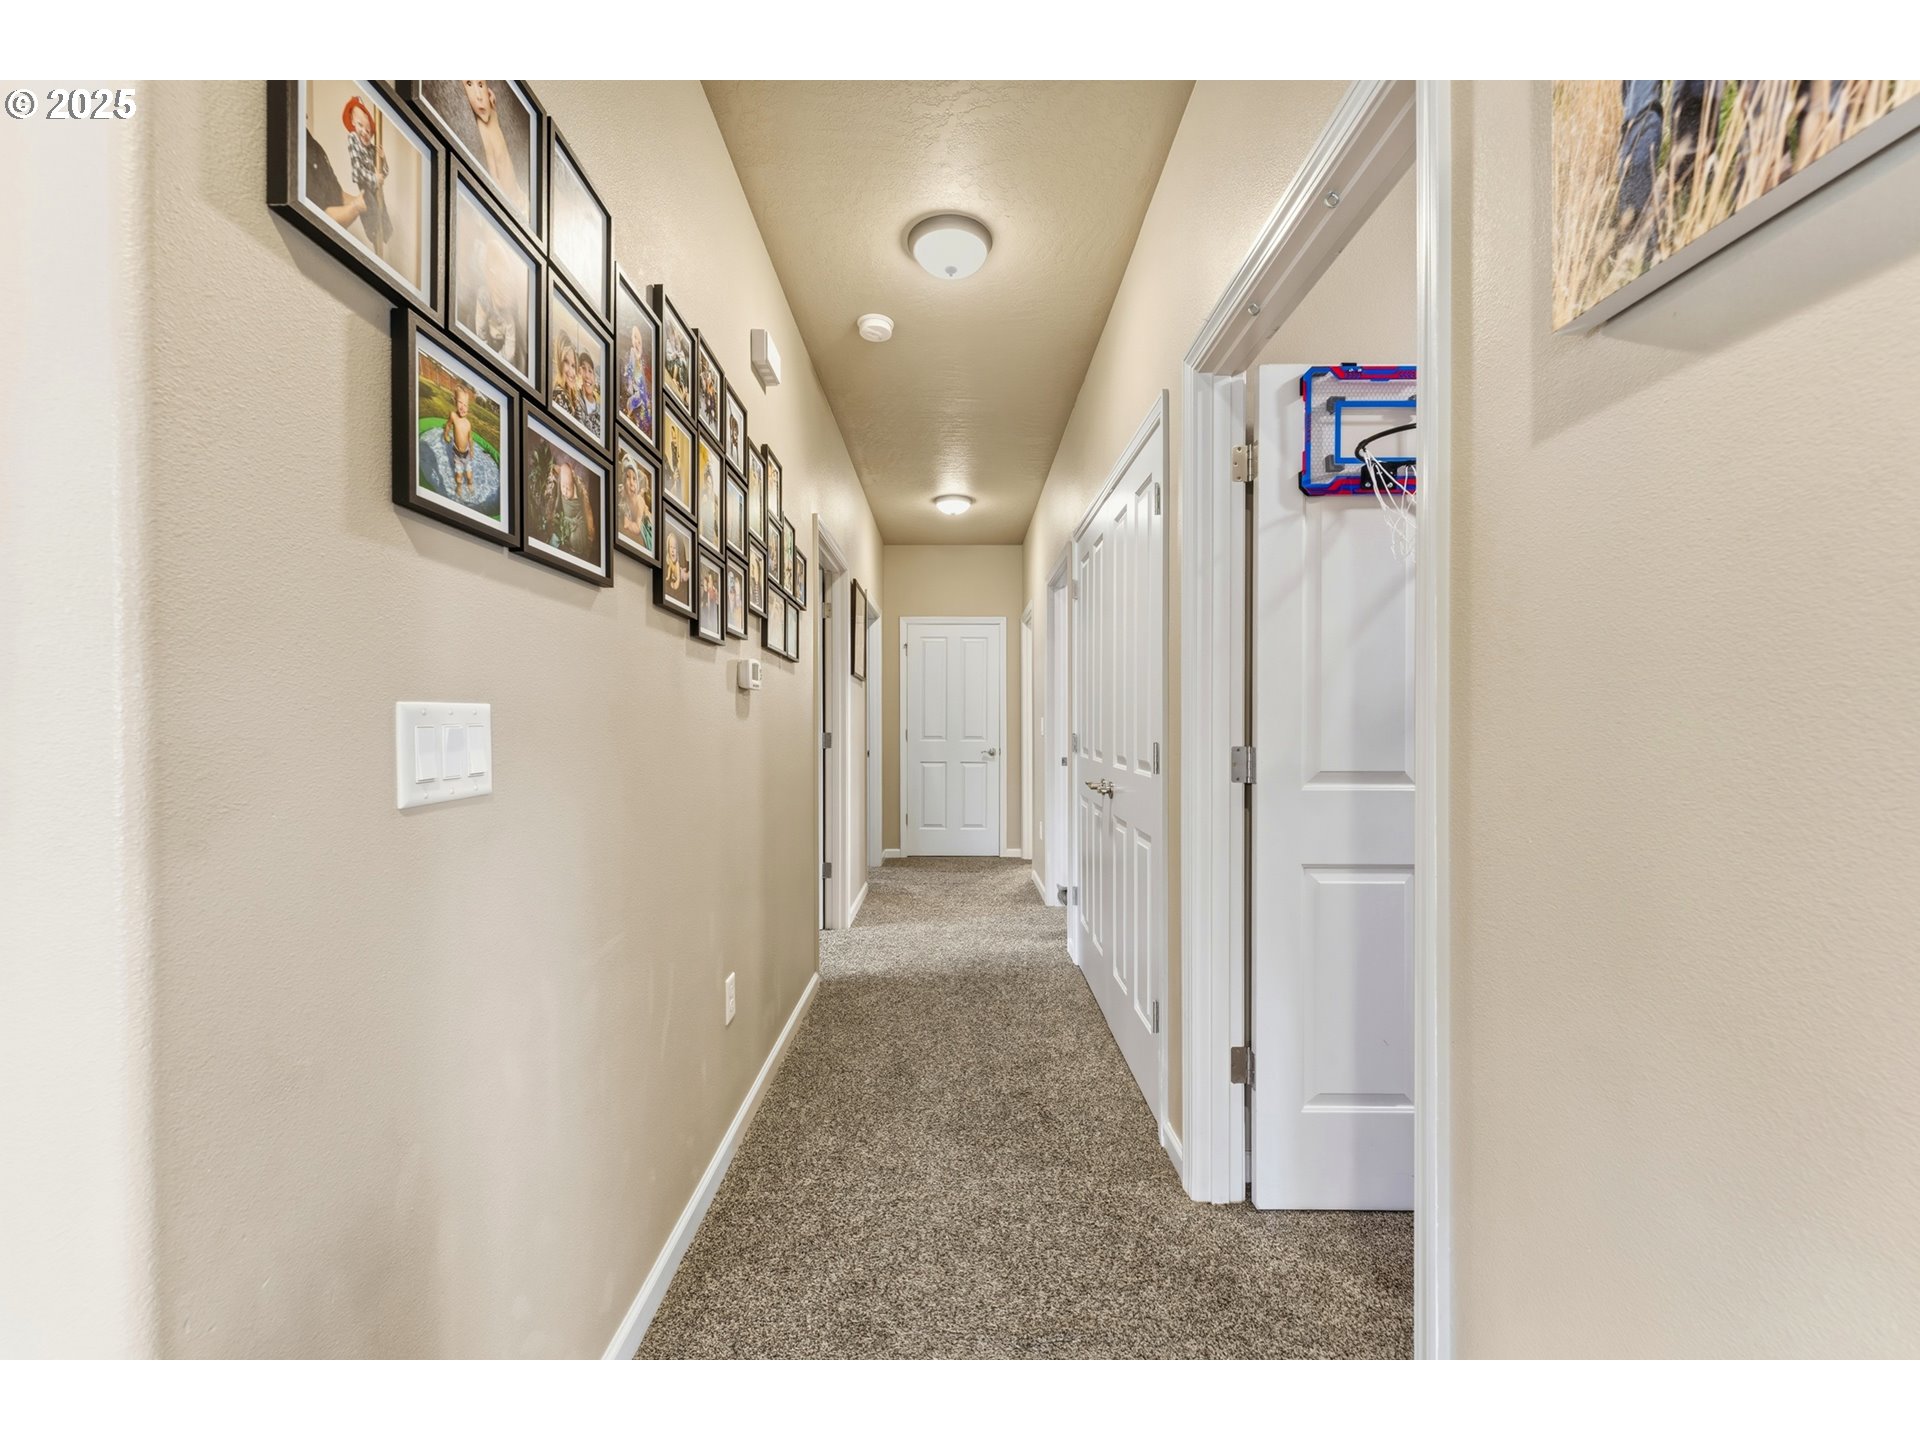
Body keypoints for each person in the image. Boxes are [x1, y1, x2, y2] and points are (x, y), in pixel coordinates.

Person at [461, 81, 526, 215]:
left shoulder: (492, 115)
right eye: (469, 84)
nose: (479, 96)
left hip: (521, 199)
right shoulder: (482, 130)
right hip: (512, 206)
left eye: (480, 85)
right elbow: (493, 178)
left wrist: (491, 106)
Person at [342, 95, 392, 258]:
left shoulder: (371, 148)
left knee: (382, 209)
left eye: (368, 130)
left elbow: (384, 174)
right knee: (370, 207)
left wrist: (382, 159)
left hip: (376, 185)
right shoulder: (353, 139)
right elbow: (357, 172)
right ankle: (374, 234)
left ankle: (385, 234)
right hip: (367, 185)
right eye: (359, 125)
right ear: (352, 124)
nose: (364, 132)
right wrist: (374, 178)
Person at [444, 381, 476, 501]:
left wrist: (471, 450)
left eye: (466, 405)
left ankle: (469, 484)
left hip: (466, 454)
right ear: (454, 401)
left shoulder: (468, 423)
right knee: (458, 476)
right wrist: (446, 434)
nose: (463, 407)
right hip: (457, 454)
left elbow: (470, 438)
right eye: (460, 403)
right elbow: (448, 426)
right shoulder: (453, 416)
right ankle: (459, 486)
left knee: (469, 475)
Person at [621, 325, 655, 435]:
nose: (637, 343)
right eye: (635, 338)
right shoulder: (630, 356)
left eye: (639, 342)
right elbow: (628, 379)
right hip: (635, 396)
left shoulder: (641, 362)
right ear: (631, 338)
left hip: (643, 398)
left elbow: (644, 385)